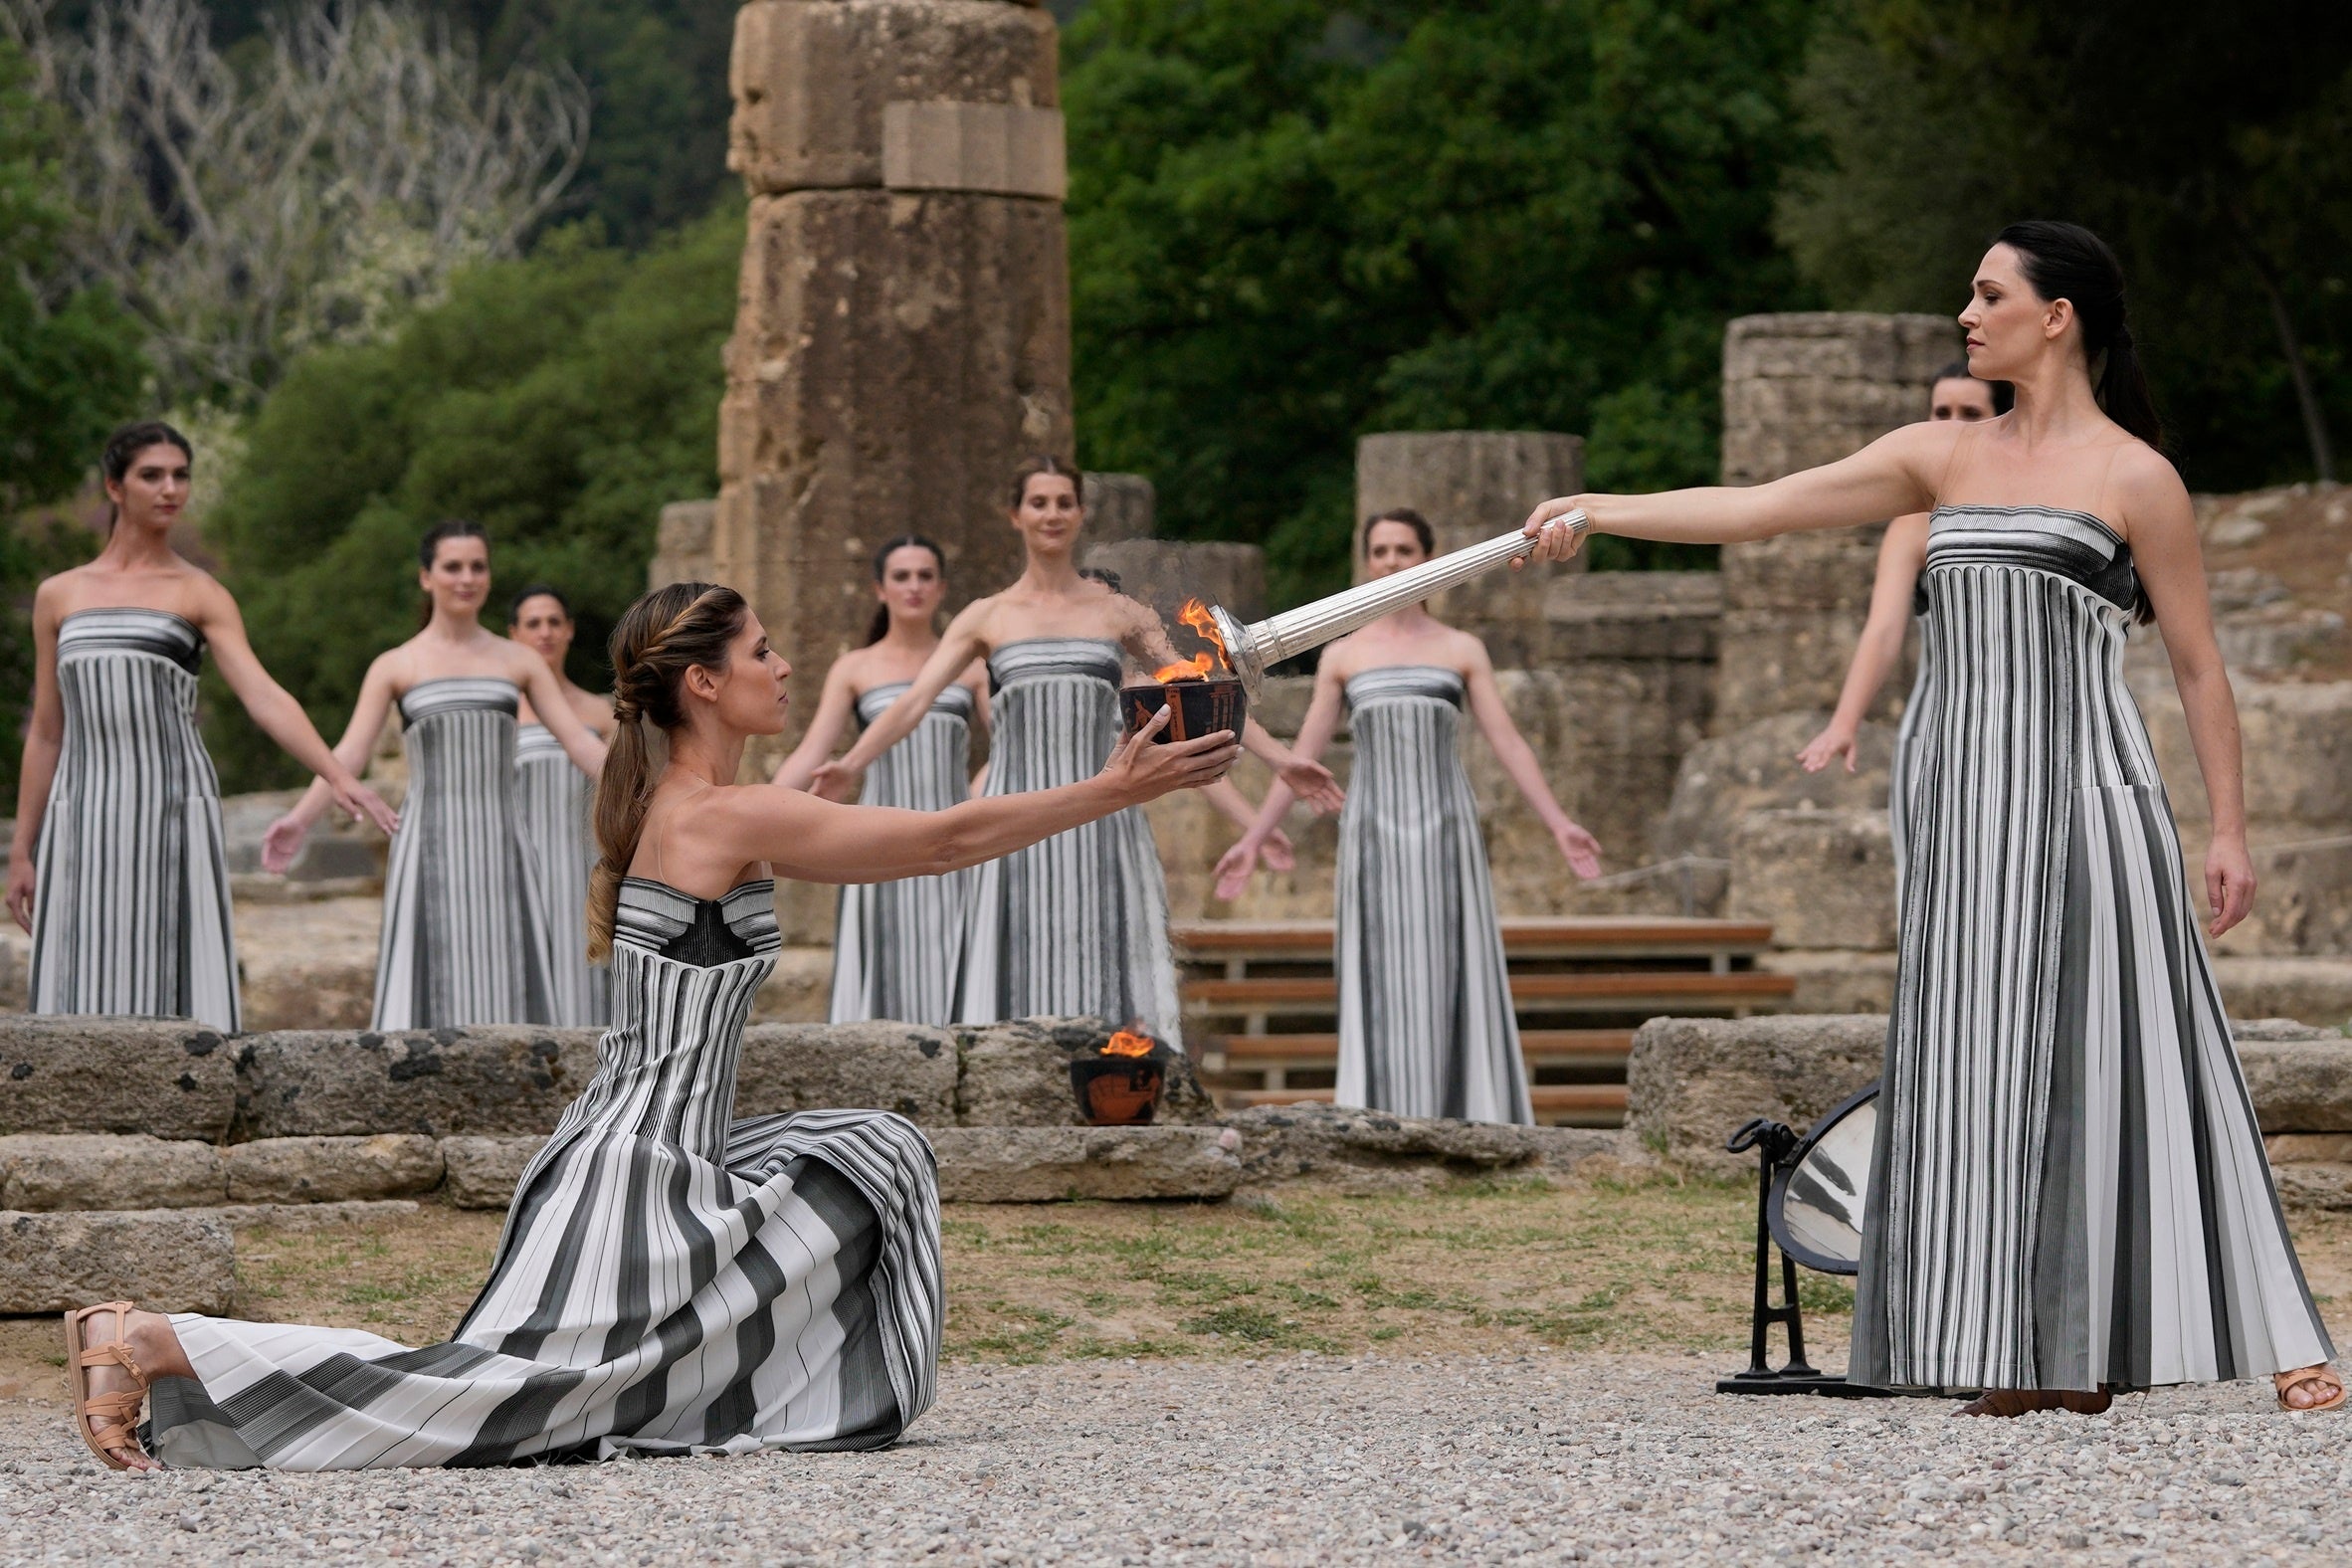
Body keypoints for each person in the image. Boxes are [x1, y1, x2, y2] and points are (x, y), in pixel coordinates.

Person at [65, 580, 1238, 1471]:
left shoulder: (698, 808)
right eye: (764, 653)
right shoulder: (711, 816)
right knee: (478, 1401)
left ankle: (167, 1347)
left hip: (665, 1160)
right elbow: (937, 841)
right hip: (631, 1173)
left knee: (877, 1151)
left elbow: (924, 837)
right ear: (705, 686)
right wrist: (1115, 788)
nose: (785, 667)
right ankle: (157, 1339)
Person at [1523, 221, 2341, 1415]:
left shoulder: (2134, 477)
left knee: (2151, 1052)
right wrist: (1600, 508)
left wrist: (2228, 830)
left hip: (2089, 797)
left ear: (2055, 316)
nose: (1966, 312)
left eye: (1987, 292)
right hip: (1965, 810)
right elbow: (1761, 508)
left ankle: (2281, 1333)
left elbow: (2201, 670)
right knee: (1976, 1065)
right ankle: (2025, 1348)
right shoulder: (1937, 456)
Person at [811, 457, 1339, 1048]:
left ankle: (1119, 1086)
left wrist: (1279, 757)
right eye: (1039, 503)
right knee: (1016, 965)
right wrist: (851, 765)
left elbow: (1191, 690)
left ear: (1081, 513)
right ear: (1016, 515)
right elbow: (911, 704)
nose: (1052, 514)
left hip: (1103, 816)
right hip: (1015, 819)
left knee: (1103, 962)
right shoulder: (987, 616)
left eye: (1064, 502)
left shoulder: (1117, 612)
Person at [1213, 508, 1602, 1125]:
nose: (1392, 561)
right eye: (1381, 550)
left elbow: (1508, 742)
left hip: (1447, 828)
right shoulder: (1342, 655)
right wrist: (1256, 835)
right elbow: (1304, 757)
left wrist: (1559, 824)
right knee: (1380, 970)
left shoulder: (1461, 649)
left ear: (1428, 557)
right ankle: (1379, 1116)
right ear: (1366, 560)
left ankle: (1470, 1115)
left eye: (1404, 550)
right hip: (1372, 834)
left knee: (1454, 966)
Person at [6, 421, 396, 1033]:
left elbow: (263, 696)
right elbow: (48, 731)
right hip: (81, 808)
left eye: (181, 475)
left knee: (168, 961)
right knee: (83, 963)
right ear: (114, 486)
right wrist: (22, 850)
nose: (170, 489)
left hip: (170, 804)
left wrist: (336, 774)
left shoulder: (199, 592)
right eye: (151, 475)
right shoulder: (60, 595)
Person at [261, 523, 607, 1030]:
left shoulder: (519, 661)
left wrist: (658, 794)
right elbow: (350, 753)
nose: (466, 578)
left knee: (510, 986)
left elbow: (580, 744)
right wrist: (299, 819)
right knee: (426, 995)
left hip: (504, 848)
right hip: (425, 847)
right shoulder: (395, 665)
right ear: (427, 577)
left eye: (477, 567)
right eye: (453, 567)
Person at [1796, 364, 2011, 883]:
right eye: (1941, 412)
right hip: (1938, 732)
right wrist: (1845, 722)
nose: (1951, 423)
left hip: (2037, 733)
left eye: (1969, 413)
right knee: (1934, 900)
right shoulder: (1914, 524)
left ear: (2002, 417)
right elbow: (1884, 629)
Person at [773, 536, 992, 1024]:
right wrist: (753, 807)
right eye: (901, 576)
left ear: (941, 588)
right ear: (879, 588)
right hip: (875, 841)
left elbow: (1012, 749)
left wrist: (978, 792)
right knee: (884, 966)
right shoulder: (855, 667)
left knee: (955, 966)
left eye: (924, 576)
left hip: (954, 839)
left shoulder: (973, 668)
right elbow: (812, 750)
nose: (913, 586)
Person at [508, 584, 618, 1028]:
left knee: (585, 978)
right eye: (533, 623)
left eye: (555, 621)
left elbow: (620, 792)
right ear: (514, 634)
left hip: (582, 863)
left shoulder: (599, 711)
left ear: (570, 630)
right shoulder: (500, 714)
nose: (545, 632)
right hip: (520, 861)